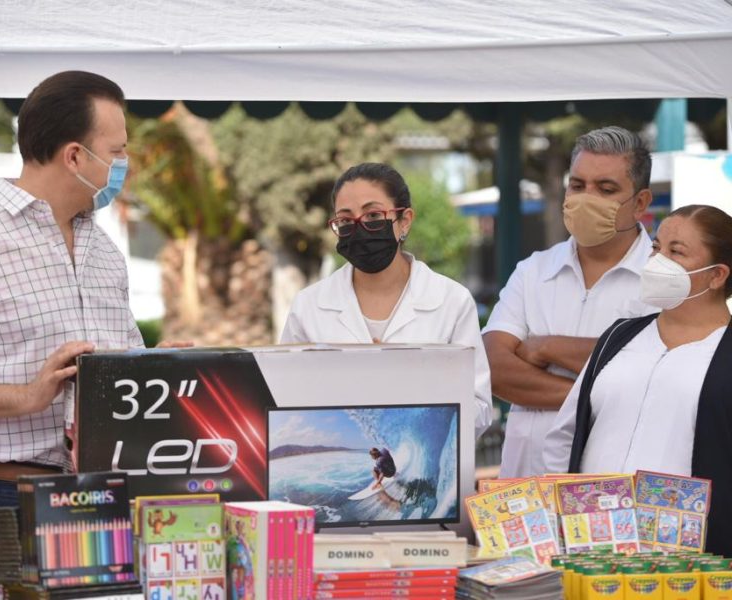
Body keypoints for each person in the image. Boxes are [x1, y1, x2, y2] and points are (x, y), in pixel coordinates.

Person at [0, 71, 148, 586]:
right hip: (7, 502)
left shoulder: (105, 251)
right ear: (75, 156)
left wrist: (160, 366)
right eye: (117, 151)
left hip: (103, 500)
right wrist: (28, 396)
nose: (125, 164)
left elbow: (122, 371)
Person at [543, 204, 732, 557]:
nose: (658, 260)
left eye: (676, 252)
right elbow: (565, 436)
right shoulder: (619, 337)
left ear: (717, 275)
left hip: (687, 562)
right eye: (656, 247)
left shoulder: (723, 354)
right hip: (592, 550)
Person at [482, 126, 656, 478]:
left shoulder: (662, 280)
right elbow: (493, 368)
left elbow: (651, 376)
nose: (586, 198)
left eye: (606, 189)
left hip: (612, 491)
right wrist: (595, 395)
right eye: (577, 185)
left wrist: (548, 347)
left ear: (640, 203)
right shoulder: (533, 271)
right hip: (526, 490)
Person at [280, 163, 493, 437]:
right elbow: (284, 400)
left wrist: (406, 395)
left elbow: (479, 408)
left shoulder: (451, 302)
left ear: (404, 220)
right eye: (346, 220)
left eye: (373, 215)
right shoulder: (309, 306)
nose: (360, 228)